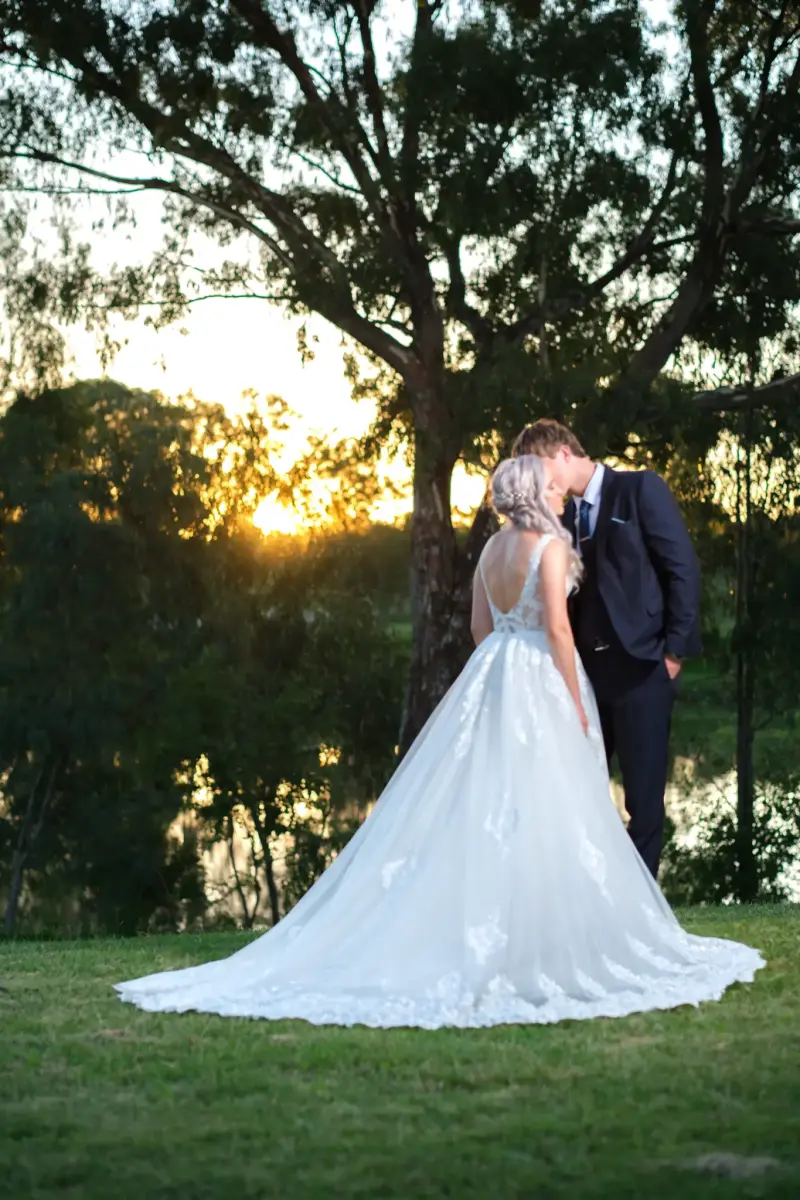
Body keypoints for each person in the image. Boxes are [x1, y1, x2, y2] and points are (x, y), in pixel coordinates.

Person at [115, 456, 762, 1028]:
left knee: (487, 803)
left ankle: (505, 928)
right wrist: (573, 701)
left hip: (494, 674)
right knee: (548, 804)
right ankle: (542, 936)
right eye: (548, 486)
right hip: (540, 674)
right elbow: (560, 633)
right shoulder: (548, 548)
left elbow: (481, 628)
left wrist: (504, 663)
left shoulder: (490, 552)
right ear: (534, 494)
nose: (558, 493)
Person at [514, 419, 700, 878]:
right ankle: (593, 903)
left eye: (539, 468)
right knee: (579, 796)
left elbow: (682, 569)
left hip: (643, 670)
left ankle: (643, 907)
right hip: (583, 678)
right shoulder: (558, 516)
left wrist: (672, 655)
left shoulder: (640, 490)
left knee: (644, 802)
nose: (538, 482)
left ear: (563, 453)